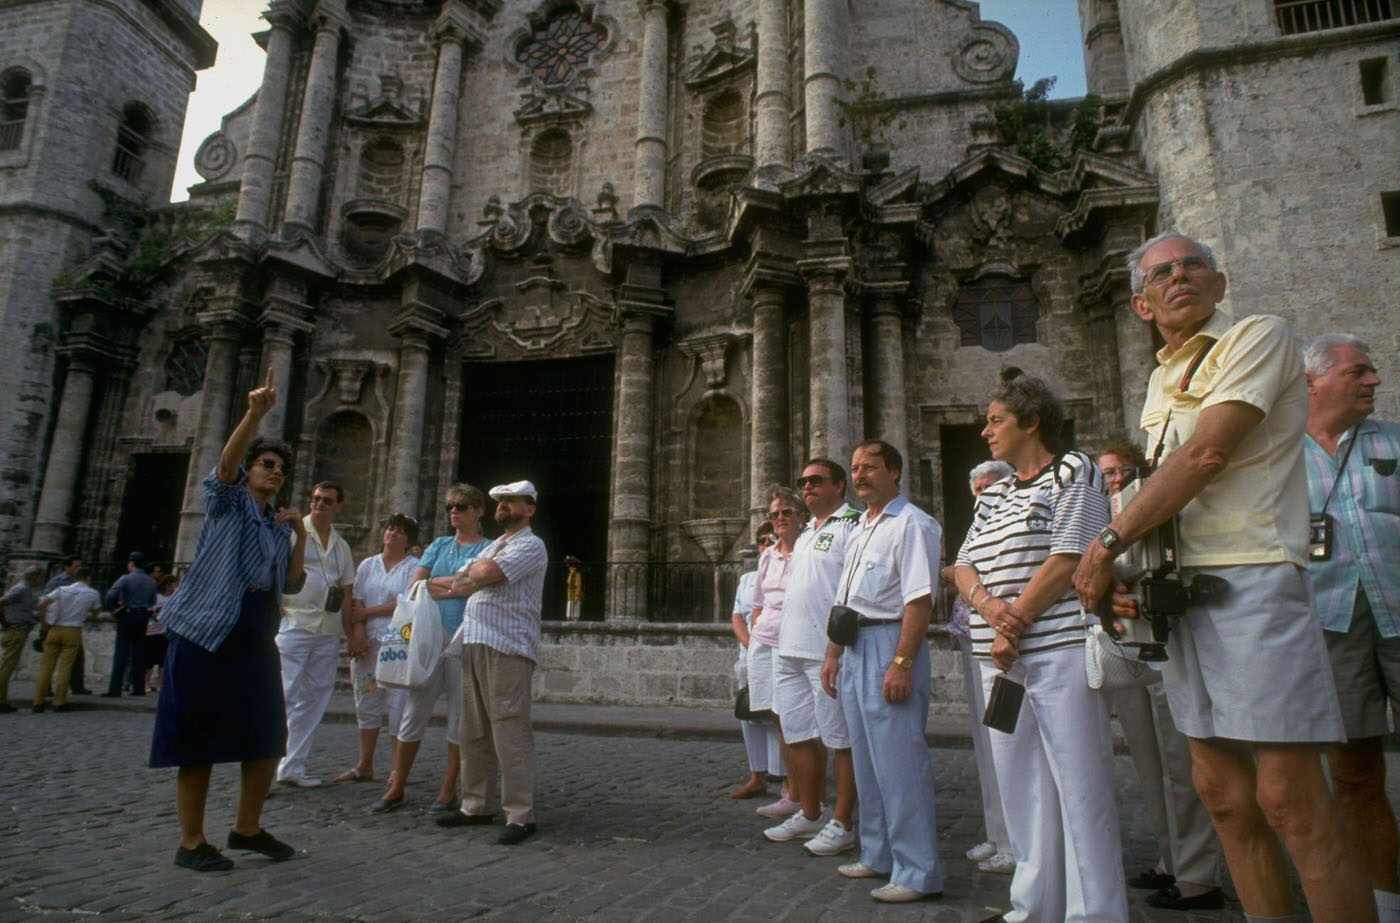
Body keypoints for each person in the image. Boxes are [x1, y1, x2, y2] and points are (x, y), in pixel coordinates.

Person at [1073, 231, 1375, 923]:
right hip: (1180, 593)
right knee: (1224, 796)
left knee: (1290, 799)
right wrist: (1123, 565)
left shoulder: (1257, 336)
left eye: (1192, 266)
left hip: (1252, 580)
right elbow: (1156, 479)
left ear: (1219, 281)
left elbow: (1207, 454)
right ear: (1141, 303)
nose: (1179, 276)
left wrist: (1106, 542)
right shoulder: (1157, 379)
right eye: (1161, 272)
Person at [954, 376, 1126, 923]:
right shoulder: (997, 491)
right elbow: (961, 565)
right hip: (999, 663)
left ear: (1031, 422)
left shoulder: (1074, 470)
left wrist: (1015, 622)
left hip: (1055, 652)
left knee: (1080, 785)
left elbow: (1071, 554)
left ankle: (1093, 914)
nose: (985, 431)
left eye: (996, 420)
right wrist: (987, 609)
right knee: (1020, 787)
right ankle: (1032, 909)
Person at [149, 367, 308, 872]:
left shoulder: (275, 527)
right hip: (205, 630)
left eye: (280, 467)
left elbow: (292, 585)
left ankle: (246, 828)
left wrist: (299, 534)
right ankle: (191, 842)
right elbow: (224, 466)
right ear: (250, 469)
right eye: (267, 464)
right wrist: (254, 413)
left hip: (255, 635)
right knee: (197, 742)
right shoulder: (227, 502)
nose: (274, 471)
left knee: (267, 737)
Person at [1095, 438, 1225, 911]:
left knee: (1179, 765)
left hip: (1164, 645)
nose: (1112, 479)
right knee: (1150, 768)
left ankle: (1197, 872)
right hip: (1125, 650)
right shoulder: (1101, 514)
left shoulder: (1154, 509)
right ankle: (1171, 860)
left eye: (1120, 471)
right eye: (1105, 472)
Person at [1302, 333, 1400, 923]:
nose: (1373, 381)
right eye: (1357, 372)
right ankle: (1386, 906)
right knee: (1356, 773)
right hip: (1332, 623)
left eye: (1372, 372)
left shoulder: (1393, 438)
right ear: (1313, 382)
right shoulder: (1281, 452)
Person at [820, 439, 943, 904]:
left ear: (894, 471)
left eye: (869, 467)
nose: (860, 475)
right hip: (854, 644)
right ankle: (877, 853)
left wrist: (902, 662)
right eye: (854, 468)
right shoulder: (860, 528)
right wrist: (833, 654)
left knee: (900, 763)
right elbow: (846, 599)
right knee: (868, 761)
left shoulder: (912, 525)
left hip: (890, 643)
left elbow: (918, 600)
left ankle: (917, 871)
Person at [437, 480, 549, 845]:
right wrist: (466, 578)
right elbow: (459, 582)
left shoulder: (530, 545)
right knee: (473, 728)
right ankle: (476, 804)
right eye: (499, 501)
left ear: (529, 508)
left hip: (506, 645)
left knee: (509, 728)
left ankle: (520, 813)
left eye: (510, 501)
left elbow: (481, 576)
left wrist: (469, 576)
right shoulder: (498, 545)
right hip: (474, 639)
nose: (501, 505)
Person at [372, 483, 489, 813]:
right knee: (413, 713)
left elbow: (477, 586)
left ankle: (448, 788)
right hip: (428, 637)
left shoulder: (489, 549)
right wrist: (457, 585)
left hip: (465, 637)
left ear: (479, 511)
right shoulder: (438, 545)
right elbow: (416, 585)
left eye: (462, 505)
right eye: (450, 506)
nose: (454, 511)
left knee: (459, 717)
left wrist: (444, 585)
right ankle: (397, 785)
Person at [765, 459, 862, 857]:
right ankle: (810, 811)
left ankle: (843, 820)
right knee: (798, 733)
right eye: (802, 481)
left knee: (839, 738)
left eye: (816, 480)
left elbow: (852, 590)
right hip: (789, 647)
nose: (806, 487)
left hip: (824, 651)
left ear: (839, 485)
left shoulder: (853, 525)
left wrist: (834, 648)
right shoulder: (806, 533)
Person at [941, 460, 1015, 875]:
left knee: (1008, 742)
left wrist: (958, 573)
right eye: (977, 488)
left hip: (1002, 643)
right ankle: (997, 832)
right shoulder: (977, 525)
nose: (982, 494)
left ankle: (1016, 842)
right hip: (973, 640)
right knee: (987, 746)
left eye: (990, 486)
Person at [275, 480, 356, 788]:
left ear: (338, 506)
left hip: (327, 630)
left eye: (327, 500)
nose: (319, 504)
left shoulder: (341, 546)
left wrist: (351, 635)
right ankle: (265, 767)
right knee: (284, 694)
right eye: (316, 498)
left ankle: (293, 766)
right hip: (294, 623)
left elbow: (347, 592)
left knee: (314, 700)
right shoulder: (294, 532)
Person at [334, 514, 419, 784]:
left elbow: (407, 601)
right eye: (390, 528)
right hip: (368, 641)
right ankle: (364, 764)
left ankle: (397, 769)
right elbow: (356, 601)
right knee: (366, 701)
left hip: (398, 643)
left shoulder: (412, 567)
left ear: (408, 540)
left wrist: (368, 612)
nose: (393, 534)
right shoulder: (368, 565)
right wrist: (357, 635)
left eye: (400, 531)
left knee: (398, 705)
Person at [748, 485, 808, 819]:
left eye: (786, 512)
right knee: (778, 717)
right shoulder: (767, 555)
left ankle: (805, 794)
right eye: (774, 515)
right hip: (766, 640)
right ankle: (791, 790)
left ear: (800, 516)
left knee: (796, 717)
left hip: (795, 640)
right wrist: (758, 631)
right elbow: (757, 602)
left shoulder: (808, 550)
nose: (780, 519)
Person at [730, 520, 784, 799]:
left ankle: (786, 777)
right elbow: (738, 615)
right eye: (762, 540)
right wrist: (751, 645)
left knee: (778, 715)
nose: (766, 545)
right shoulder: (747, 579)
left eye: (771, 539)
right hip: (750, 655)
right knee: (750, 713)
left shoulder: (788, 569)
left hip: (777, 653)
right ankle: (757, 775)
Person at [33, 567, 101, 712]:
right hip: (73, 630)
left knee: (46, 667)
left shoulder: (62, 589)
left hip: (55, 628)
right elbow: (96, 612)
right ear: (88, 579)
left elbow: (41, 604)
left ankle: (38, 701)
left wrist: (44, 623)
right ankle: (59, 701)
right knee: (65, 667)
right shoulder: (92, 593)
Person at [103, 551, 159, 697]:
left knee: (121, 652)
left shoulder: (125, 579)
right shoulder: (151, 581)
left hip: (128, 614)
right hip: (142, 616)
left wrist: (113, 610)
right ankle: (139, 688)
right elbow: (153, 600)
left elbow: (111, 595)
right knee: (139, 652)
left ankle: (115, 688)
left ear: (131, 563)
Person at [0, 566, 47, 711]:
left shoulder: (26, 590)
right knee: (6, 666)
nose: (42, 581)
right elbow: (2, 602)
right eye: (41, 577)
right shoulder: (20, 589)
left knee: (8, 665)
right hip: (15, 629)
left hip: (19, 628)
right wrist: (5, 622)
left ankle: (3, 698)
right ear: (34, 577)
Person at [43, 556, 90, 694]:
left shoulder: (80, 582)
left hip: (73, 623)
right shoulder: (57, 582)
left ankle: (77, 686)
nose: (78, 569)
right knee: (51, 660)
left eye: (79, 566)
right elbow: (46, 601)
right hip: (57, 623)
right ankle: (47, 689)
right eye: (75, 566)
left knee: (78, 657)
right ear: (67, 567)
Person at [144, 574, 177, 693]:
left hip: (166, 631)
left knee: (163, 661)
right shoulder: (156, 597)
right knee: (149, 660)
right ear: (168, 584)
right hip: (152, 630)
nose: (175, 587)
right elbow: (149, 610)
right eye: (174, 584)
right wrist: (156, 615)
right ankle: (146, 683)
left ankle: (160, 684)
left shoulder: (174, 599)